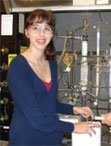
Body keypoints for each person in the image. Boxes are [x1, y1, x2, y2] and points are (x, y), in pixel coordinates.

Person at [7, 9, 99, 145]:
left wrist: (74, 109)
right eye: (36, 28)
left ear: (52, 33)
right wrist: (73, 127)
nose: (41, 33)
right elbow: (35, 118)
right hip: (26, 138)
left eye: (47, 28)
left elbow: (48, 103)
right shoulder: (18, 67)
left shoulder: (51, 63)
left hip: (51, 138)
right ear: (26, 32)